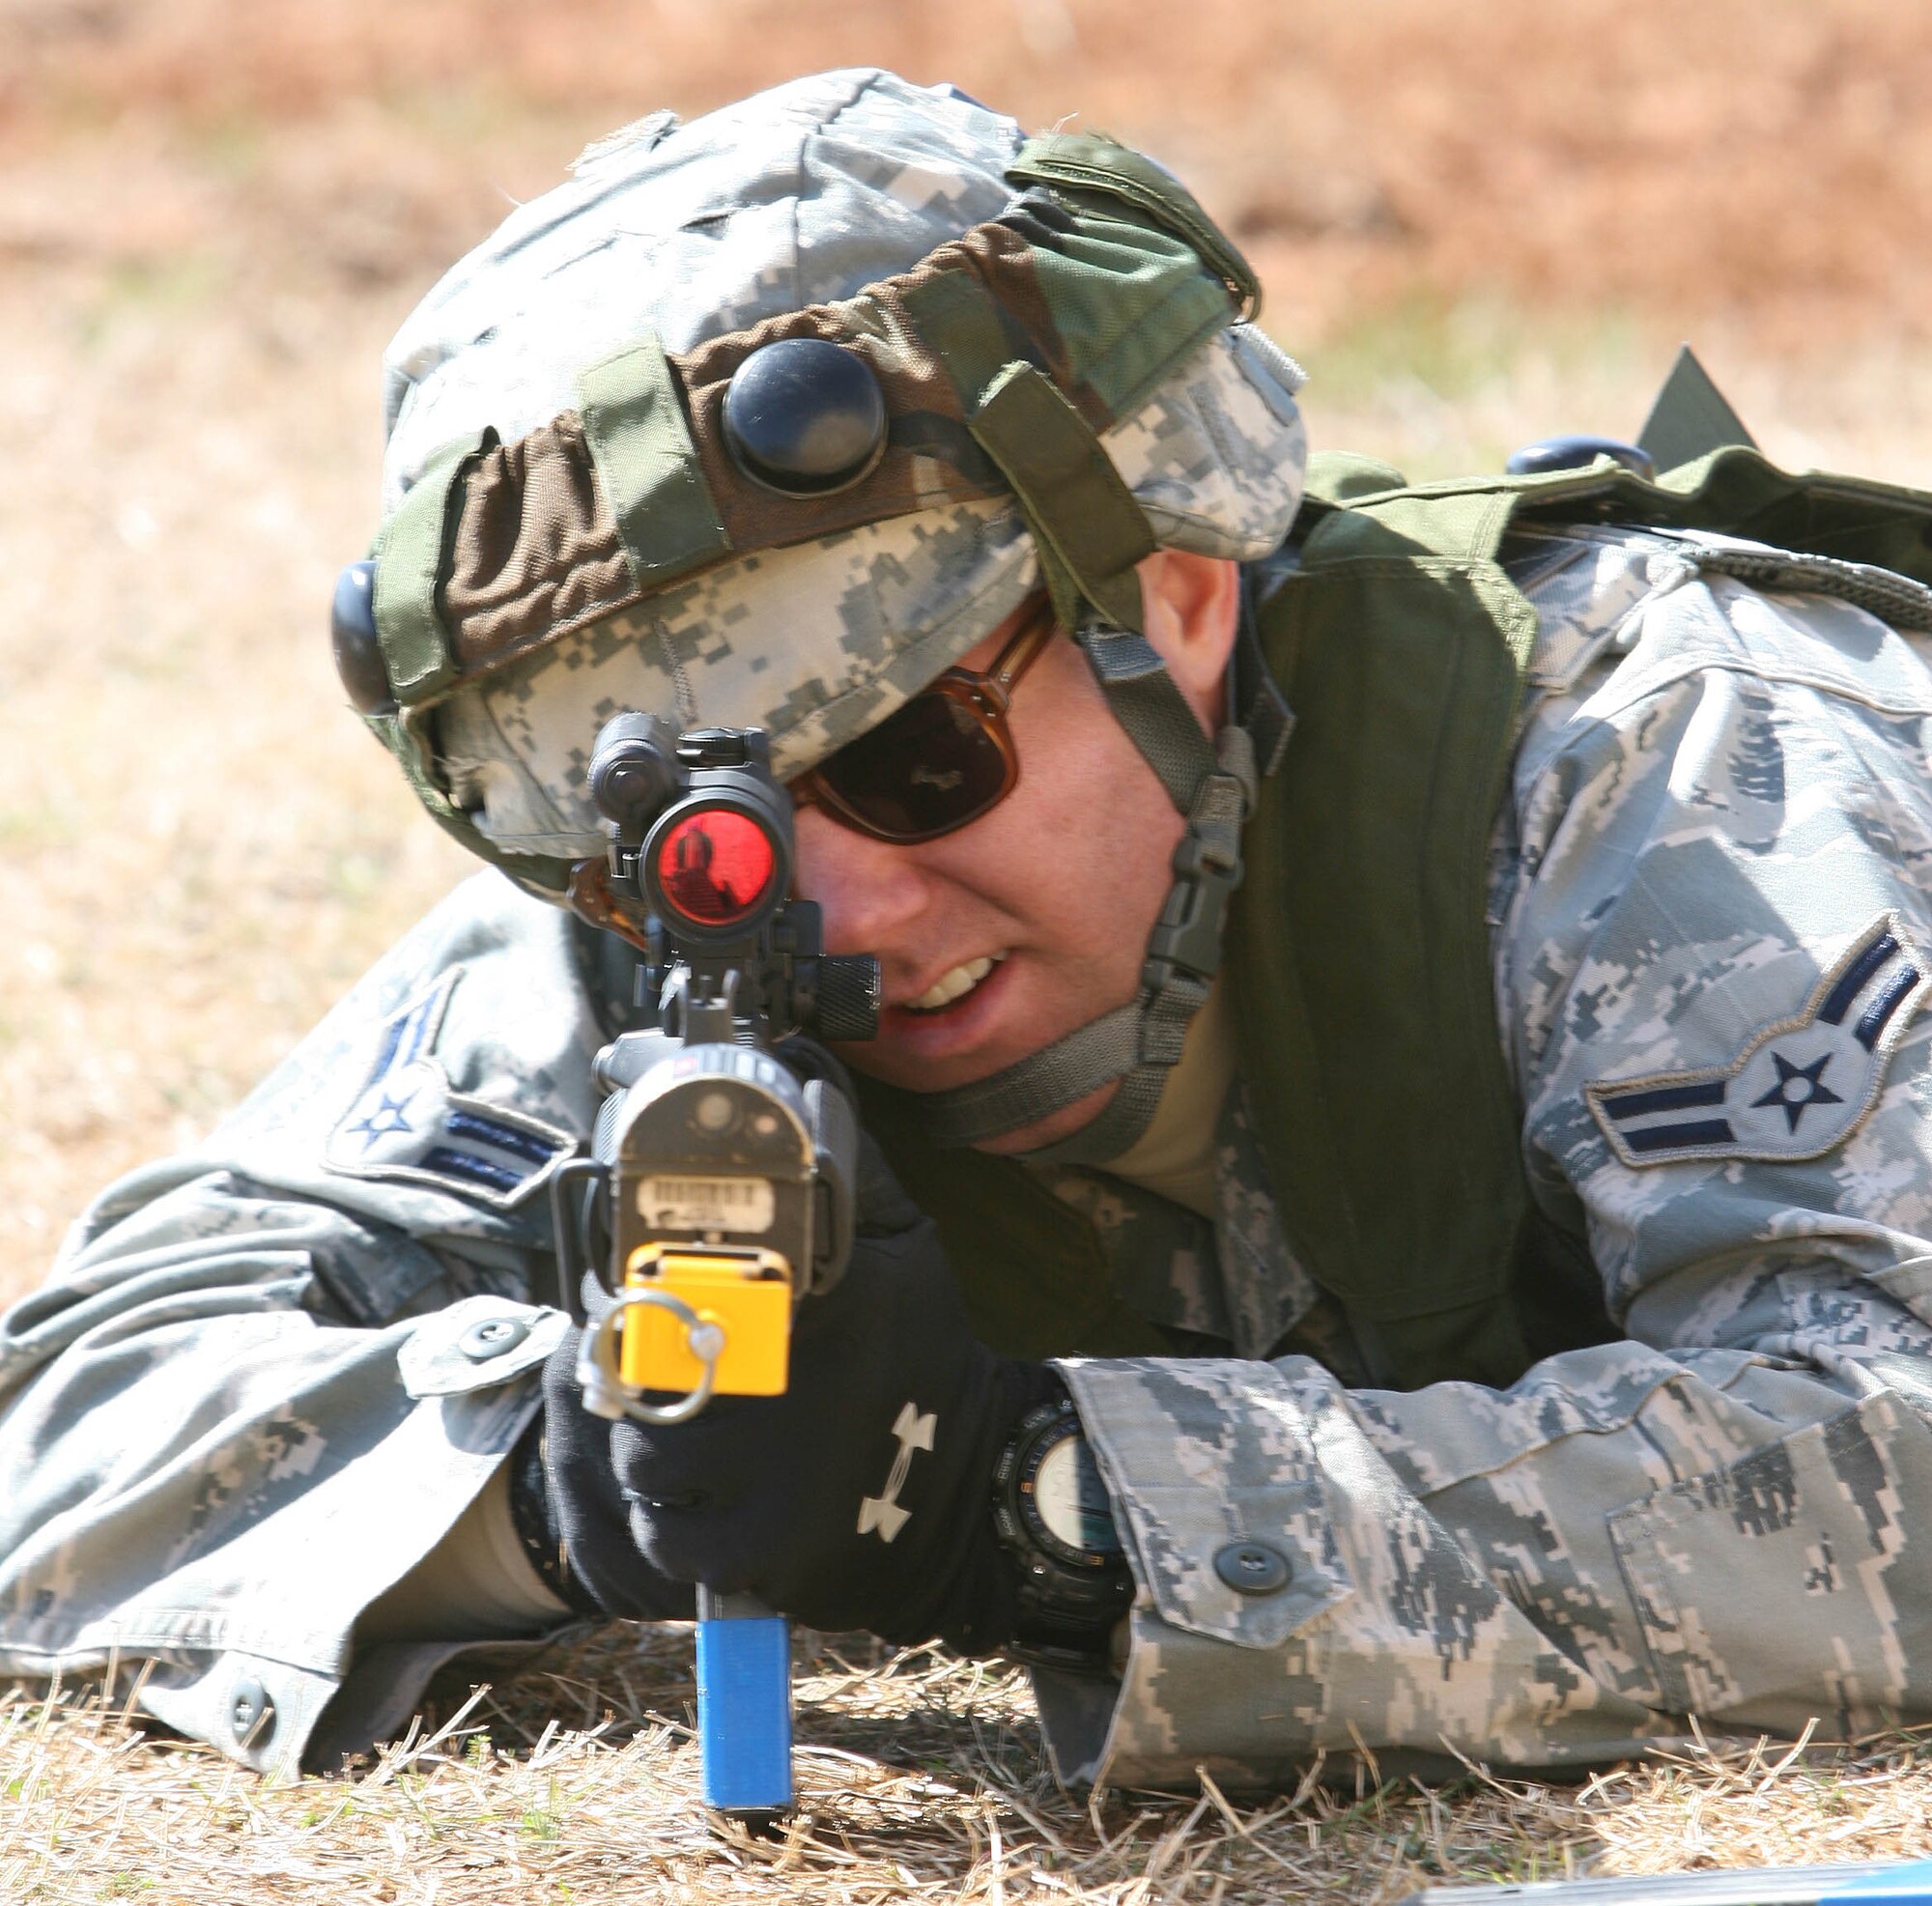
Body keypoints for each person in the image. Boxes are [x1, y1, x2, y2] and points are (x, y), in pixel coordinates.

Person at [9, 68, 1932, 1792]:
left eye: (917, 756)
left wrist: (1037, 1508)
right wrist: (564, 1483)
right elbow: (63, 1420)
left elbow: (1891, 1452)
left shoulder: (1663, 754)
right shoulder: (690, 923)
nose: (835, 900)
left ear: (1171, 599)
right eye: (699, 833)